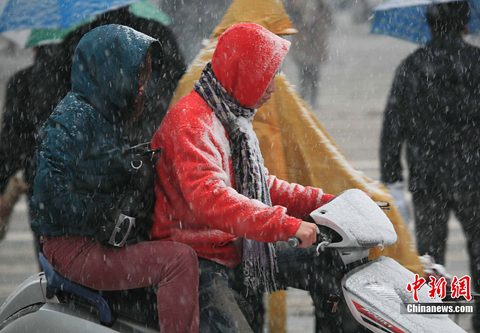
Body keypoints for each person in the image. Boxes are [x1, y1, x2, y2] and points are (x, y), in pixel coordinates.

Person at [151, 22, 368, 332]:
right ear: (244, 74)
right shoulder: (193, 124)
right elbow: (212, 200)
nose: (272, 89)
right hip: (200, 260)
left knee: (335, 264)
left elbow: (260, 186)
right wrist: (287, 225)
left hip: (235, 246)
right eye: (266, 78)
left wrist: (330, 204)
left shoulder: (229, 114)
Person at [30, 24, 199, 332]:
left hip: (87, 240)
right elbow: (50, 201)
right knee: (179, 261)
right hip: (74, 248)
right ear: (111, 69)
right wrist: (104, 216)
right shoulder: (73, 120)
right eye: (137, 75)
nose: (141, 87)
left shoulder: (101, 114)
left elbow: (99, 168)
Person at [379, 1, 480, 331]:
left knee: (429, 260)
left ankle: (434, 323)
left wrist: (392, 179)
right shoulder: (477, 63)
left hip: (427, 181)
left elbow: (392, 128)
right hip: (474, 178)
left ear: (431, 27)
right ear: (466, 25)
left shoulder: (412, 66)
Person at [283, 0, 333, 109]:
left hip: (315, 37)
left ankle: (312, 98)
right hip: (303, 37)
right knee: (303, 69)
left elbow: (328, 16)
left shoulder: (320, 4)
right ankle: (304, 96)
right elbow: (288, 12)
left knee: (314, 70)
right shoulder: (293, 4)